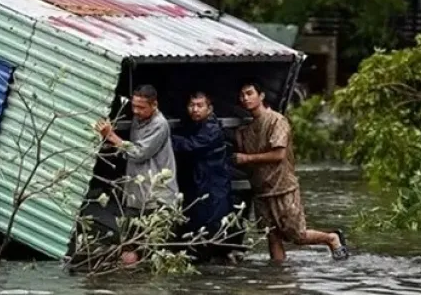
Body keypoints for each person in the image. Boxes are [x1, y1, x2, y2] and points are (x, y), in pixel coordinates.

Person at [233, 81, 349, 262]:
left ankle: (331, 238)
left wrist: (247, 158)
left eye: (249, 93)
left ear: (261, 96)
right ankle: (279, 276)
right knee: (271, 236)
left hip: (283, 187)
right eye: (242, 96)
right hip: (261, 191)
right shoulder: (244, 131)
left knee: (298, 235)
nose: (246, 98)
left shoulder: (277, 121)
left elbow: (278, 154)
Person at [95, 85, 178, 265]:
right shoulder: (138, 120)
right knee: (128, 246)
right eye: (134, 106)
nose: (136, 111)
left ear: (154, 105)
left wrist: (111, 136)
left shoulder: (159, 125)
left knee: (152, 252)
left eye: (141, 107)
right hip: (136, 196)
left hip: (156, 200)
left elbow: (139, 152)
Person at [171, 91, 234, 260]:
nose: (195, 109)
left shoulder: (211, 129)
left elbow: (191, 146)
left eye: (200, 105)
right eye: (192, 105)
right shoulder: (191, 125)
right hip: (199, 187)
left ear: (209, 108)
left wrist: (165, 138)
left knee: (210, 231)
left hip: (213, 189)